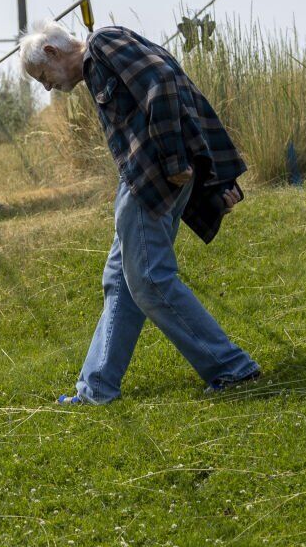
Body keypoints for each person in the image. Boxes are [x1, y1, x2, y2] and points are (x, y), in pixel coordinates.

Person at [20, 21, 260, 403]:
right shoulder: (99, 63)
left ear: (52, 52)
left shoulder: (103, 44)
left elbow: (164, 83)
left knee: (149, 279)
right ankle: (96, 388)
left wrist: (176, 159)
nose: (48, 86)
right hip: (142, 177)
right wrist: (208, 176)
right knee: (121, 279)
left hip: (153, 178)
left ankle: (230, 366)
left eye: (43, 76)